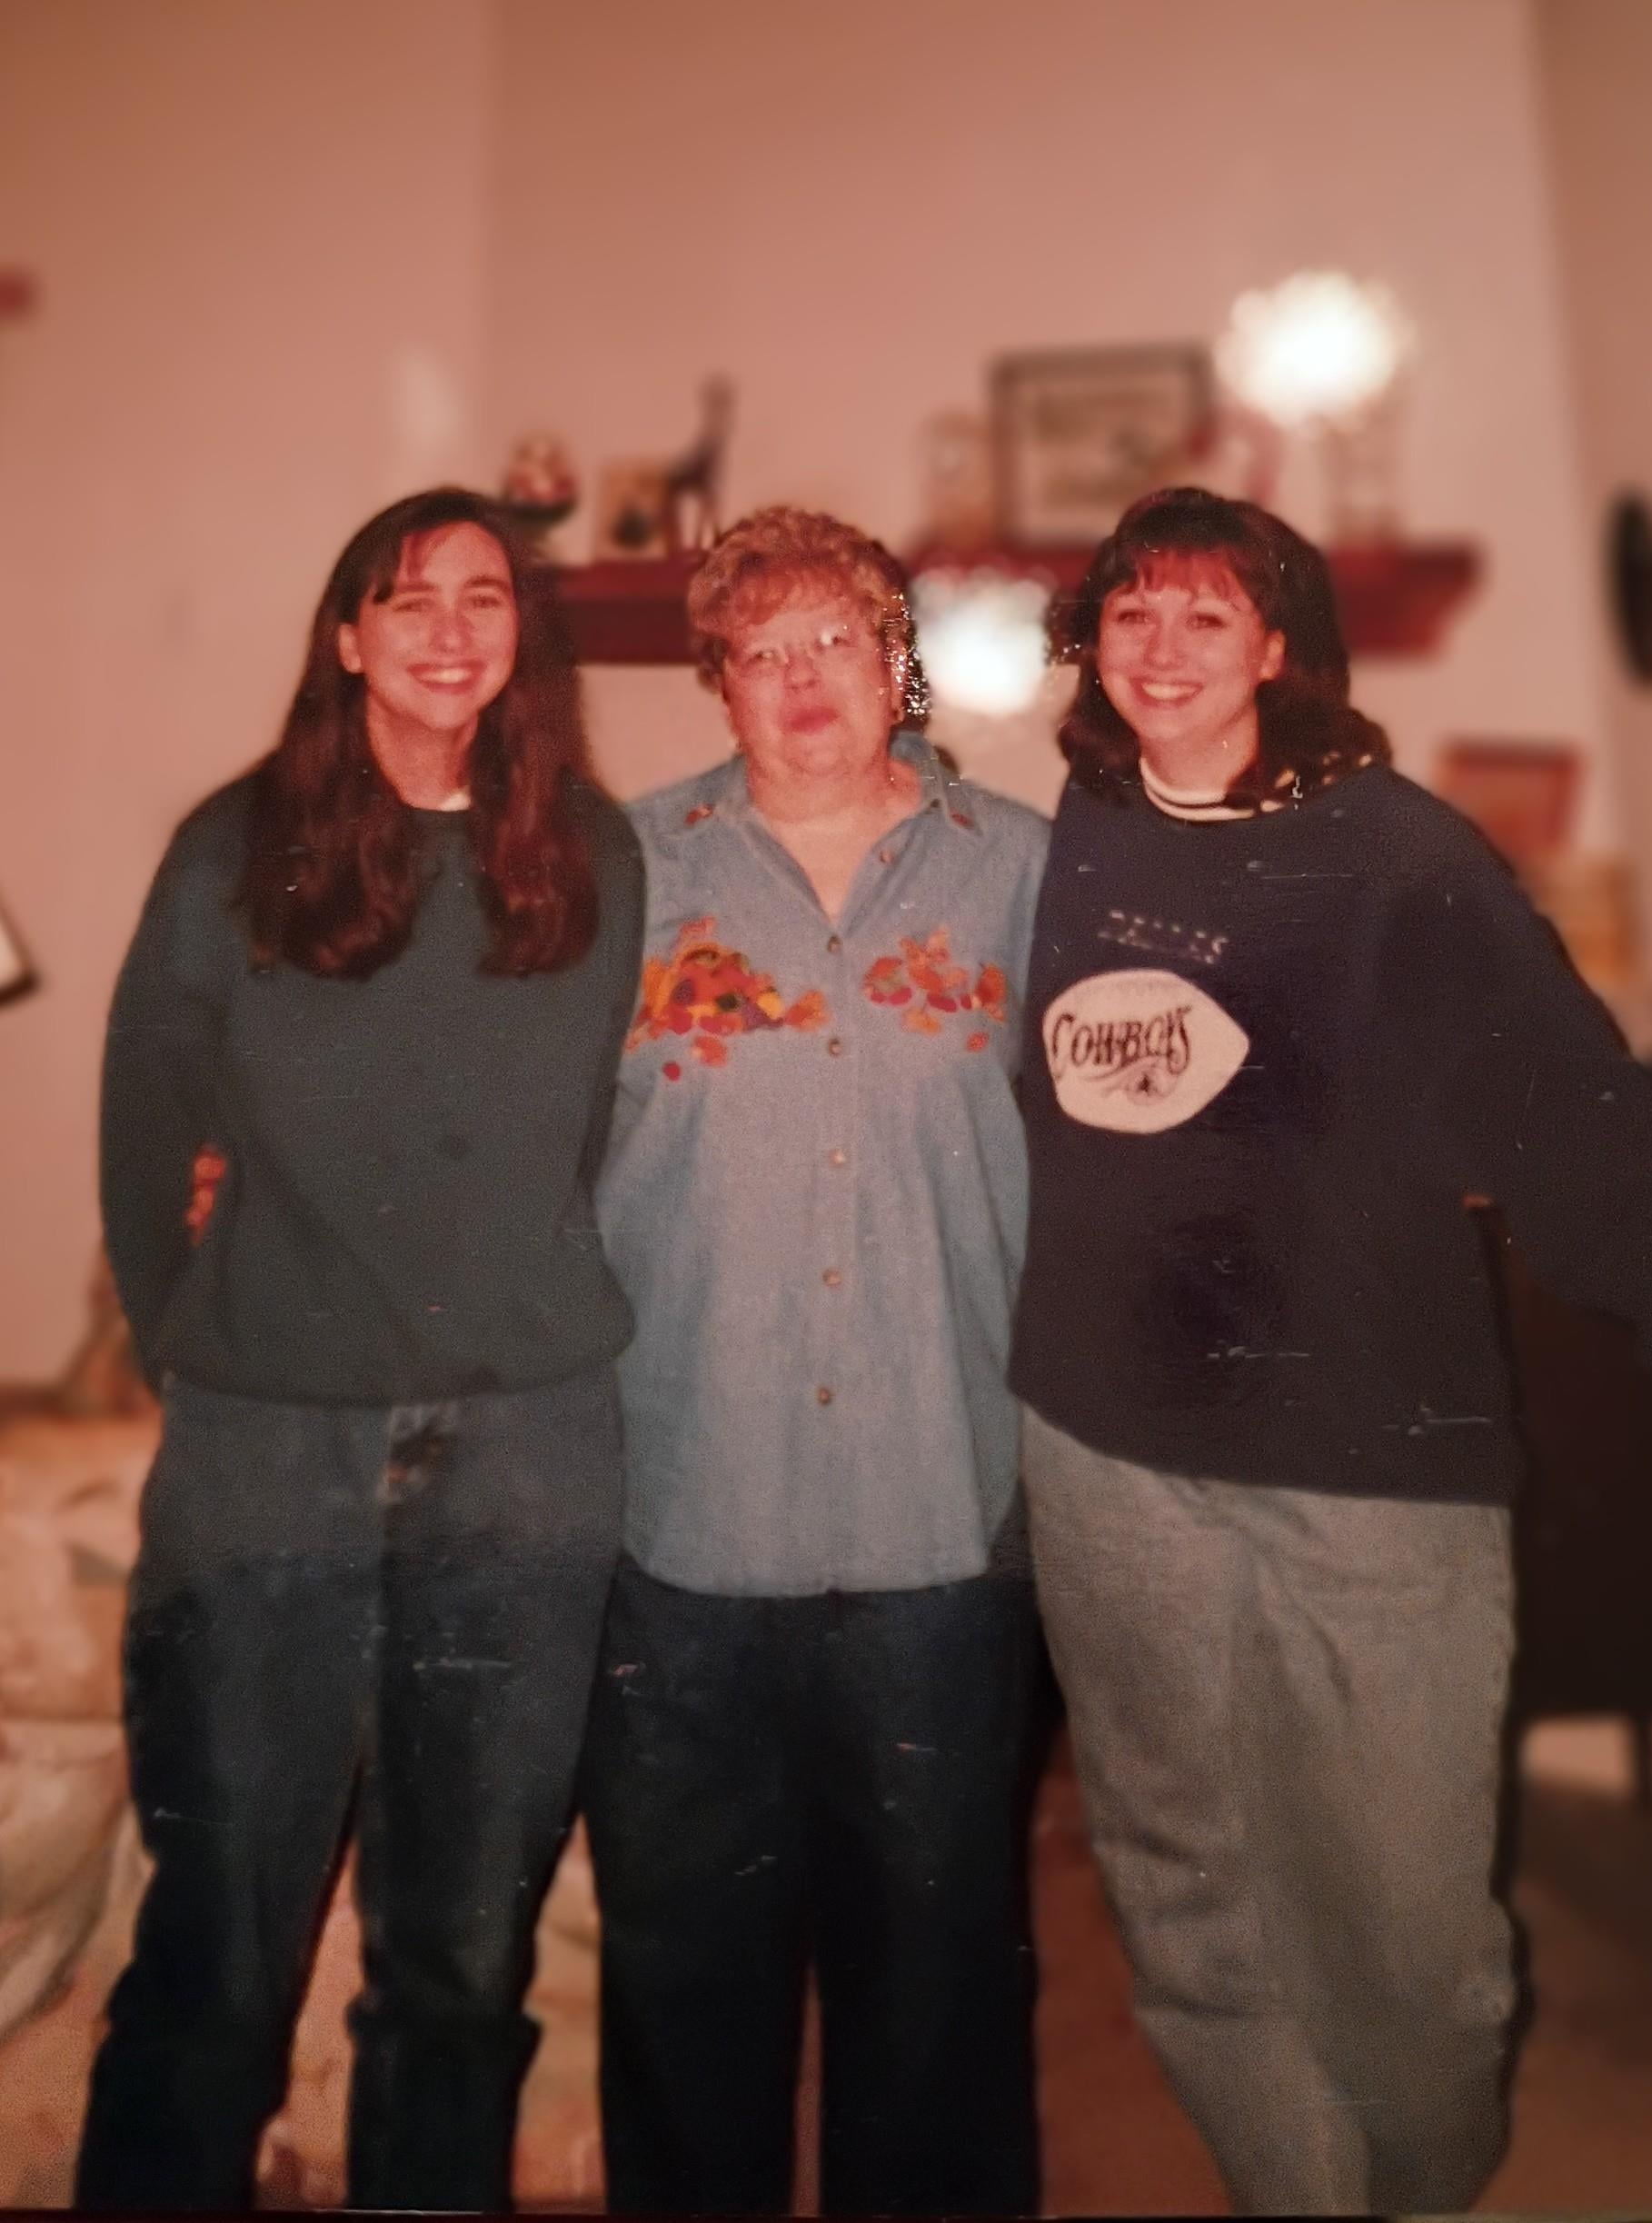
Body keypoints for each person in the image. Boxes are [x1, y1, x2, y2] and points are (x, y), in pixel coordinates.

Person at [1008, 487, 1652, 2217]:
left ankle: (1420, 2190)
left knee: (1408, 1934)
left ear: (1279, 647)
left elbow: (1576, 1121)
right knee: (1184, 1892)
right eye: (1129, 614)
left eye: (1203, 618)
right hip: (1106, 1452)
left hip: (1366, 1463)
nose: (1158, 650)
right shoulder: (1062, 839)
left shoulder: (1401, 858)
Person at [76, 487, 644, 2213]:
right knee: (220, 1959)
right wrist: (193, 1337)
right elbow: (142, 1112)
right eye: (408, 599)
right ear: (345, 637)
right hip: (268, 1457)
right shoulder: (233, 845)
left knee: (460, 1971)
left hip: (529, 1458)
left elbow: (608, 1118)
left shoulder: (596, 852)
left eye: (485, 597)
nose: (453, 629)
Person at [582, 505, 1049, 2217]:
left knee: (937, 2001)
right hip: (683, 1528)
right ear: (713, 681)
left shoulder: (1021, 866)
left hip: (942, 1517)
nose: (799, 683)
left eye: (833, 641)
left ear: (892, 658)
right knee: (685, 1996)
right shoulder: (621, 876)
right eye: (757, 652)